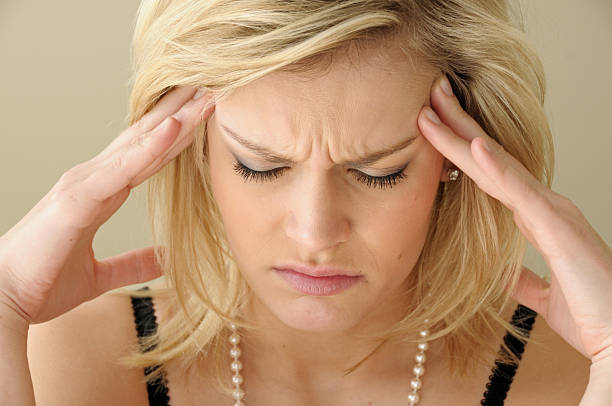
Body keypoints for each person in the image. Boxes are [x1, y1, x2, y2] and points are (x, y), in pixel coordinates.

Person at [1, 0, 610, 405]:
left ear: (457, 160)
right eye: (260, 165)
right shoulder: (75, 363)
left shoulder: (573, 376)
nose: (315, 232)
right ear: (192, 147)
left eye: (378, 173)